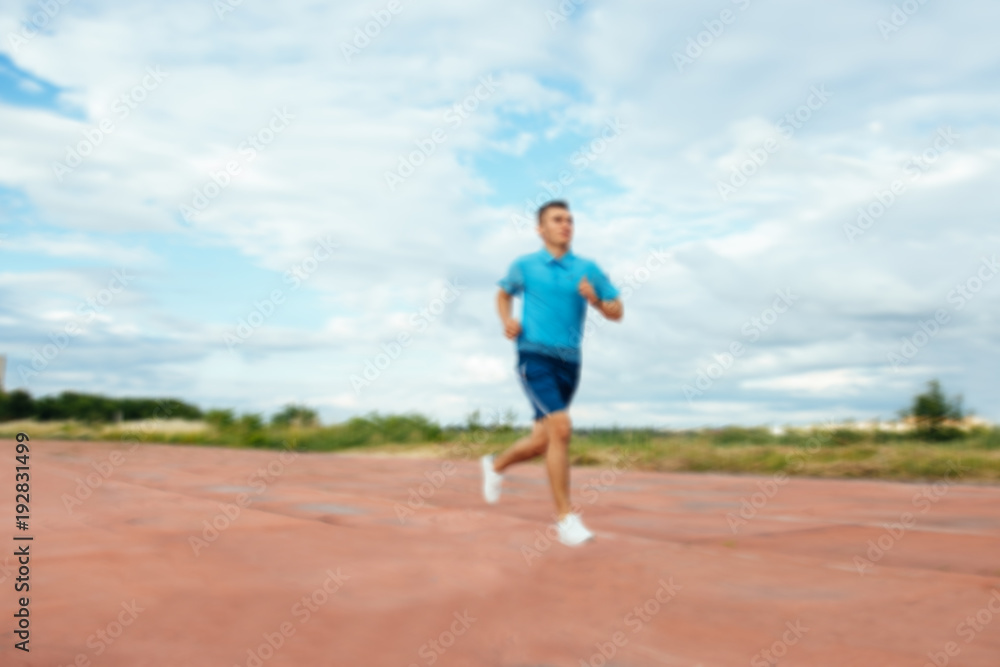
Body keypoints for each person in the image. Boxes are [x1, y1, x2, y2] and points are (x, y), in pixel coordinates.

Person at [481, 199, 623, 546]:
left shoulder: (588, 268)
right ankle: (565, 520)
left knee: (543, 440)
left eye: (570, 220)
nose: (566, 225)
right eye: (557, 220)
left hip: (570, 362)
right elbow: (503, 294)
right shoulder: (525, 266)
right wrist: (507, 320)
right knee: (562, 428)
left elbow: (616, 310)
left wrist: (597, 301)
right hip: (533, 357)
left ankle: (495, 466)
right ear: (540, 228)